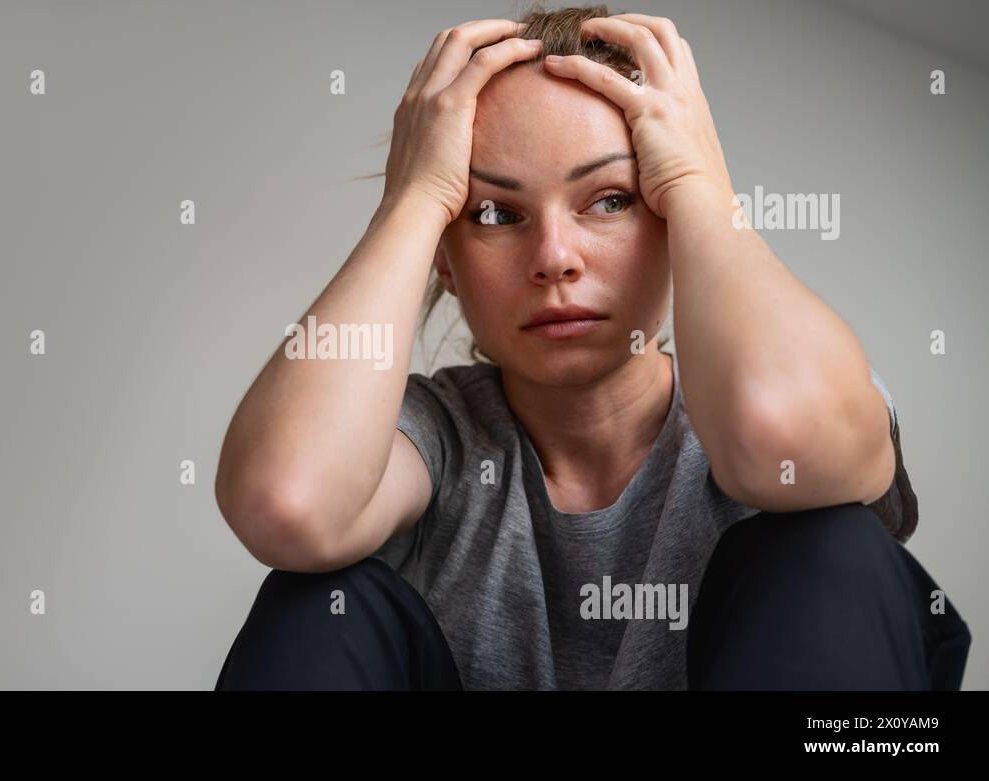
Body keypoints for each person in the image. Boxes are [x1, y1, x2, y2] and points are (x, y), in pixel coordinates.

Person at [212, 4, 971, 690]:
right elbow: (288, 502)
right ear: (445, 257)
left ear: (672, 222)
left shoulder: (778, 384)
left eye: (610, 200)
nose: (554, 256)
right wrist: (412, 202)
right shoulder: (431, 440)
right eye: (494, 214)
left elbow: (784, 429)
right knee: (318, 600)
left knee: (826, 542)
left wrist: (699, 185)